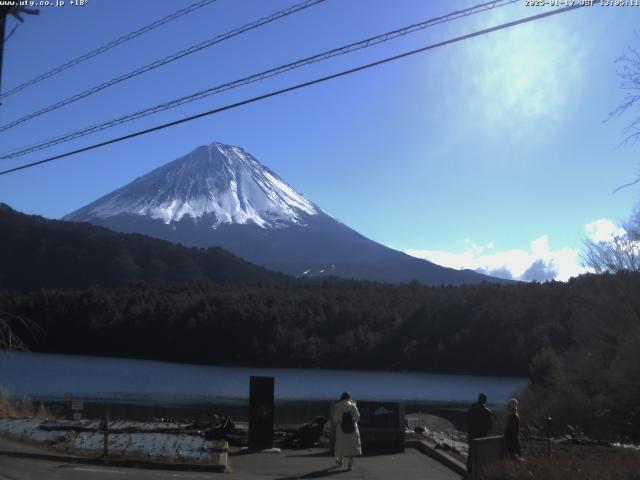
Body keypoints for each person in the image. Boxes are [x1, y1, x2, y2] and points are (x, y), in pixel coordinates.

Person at [465, 393, 493, 478]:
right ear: (485, 401)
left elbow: (466, 421)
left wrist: (470, 430)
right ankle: (478, 472)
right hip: (482, 437)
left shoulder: (471, 409)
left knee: (471, 454)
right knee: (480, 455)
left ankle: (469, 472)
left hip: (471, 435)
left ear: (478, 399)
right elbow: (490, 426)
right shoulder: (487, 412)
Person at [332, 392, 362, 470]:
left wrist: (339, 422)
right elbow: (357, 416)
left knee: (341, 446)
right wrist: (353, 421)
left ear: (341, 398)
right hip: (353, 429)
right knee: (352, 447)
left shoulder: (338, 406)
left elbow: (335, 419)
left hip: (341, 429)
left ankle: (340, 461)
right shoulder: (352, 405)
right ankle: (349, 465)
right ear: (349, 397)